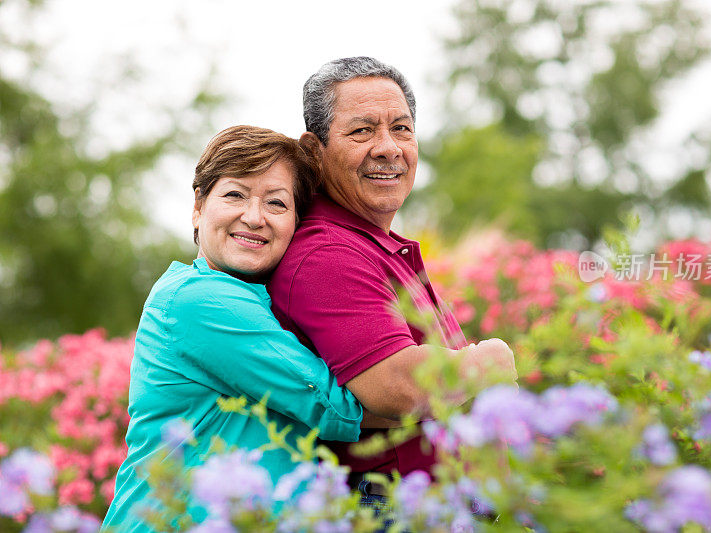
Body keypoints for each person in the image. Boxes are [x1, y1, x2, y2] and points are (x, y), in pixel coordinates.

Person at [268, 57, 518, 500]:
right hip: (394, 508)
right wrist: (492, 360)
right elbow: (396, 386)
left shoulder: (371, 242)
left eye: (401, 128)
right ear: (313, 150)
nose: (388, 148)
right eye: (362, 131)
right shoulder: (327, 253)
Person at [103, 126, 364, 532]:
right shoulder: (198, 300)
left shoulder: (265, 302)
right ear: (198, 206)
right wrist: (461, 374)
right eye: (235, 195)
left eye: (276, 203)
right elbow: (336, 406)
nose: (254, 217)